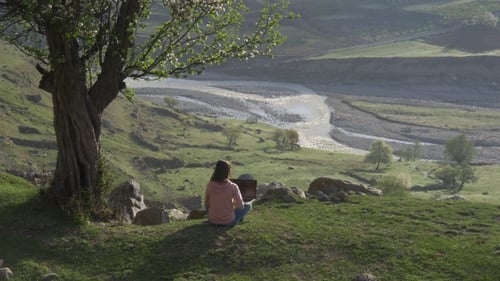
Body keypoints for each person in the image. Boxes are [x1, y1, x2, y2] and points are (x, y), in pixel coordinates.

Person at [204, 160, 251, 226]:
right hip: (228, 222)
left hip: (213, 221)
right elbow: (240, 206)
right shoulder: (233, 186)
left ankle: (214, 217)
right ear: (228, 172)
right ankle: (237, 219)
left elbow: (207, 204)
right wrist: (232, 202)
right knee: (248, 205)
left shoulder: (210, 185)